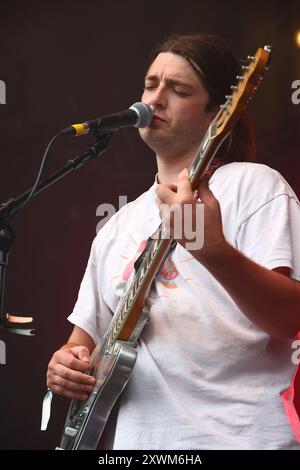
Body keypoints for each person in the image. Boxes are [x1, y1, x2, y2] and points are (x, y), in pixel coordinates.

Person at [47, 33, 300, 450]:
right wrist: (66, 365)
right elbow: (82, 341)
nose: (155, 99)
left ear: (218, 115)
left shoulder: (254, 186)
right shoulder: (117, 227)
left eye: (178, 90)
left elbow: (290, 318)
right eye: (151, 84)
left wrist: (212, 251)